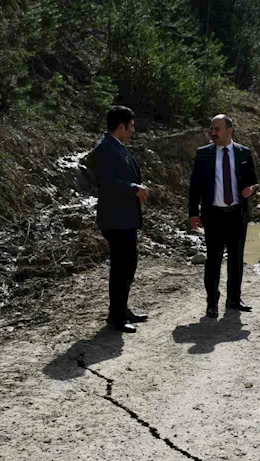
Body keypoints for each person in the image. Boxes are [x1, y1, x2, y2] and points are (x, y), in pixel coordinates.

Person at [188, 114, 258, 317]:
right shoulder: (204, 154)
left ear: (230, 130)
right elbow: (195, 187)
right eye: (211, 129)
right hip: (213, 215)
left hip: (237, 214)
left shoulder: (244, 153)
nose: (213, 133)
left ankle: (234, 300)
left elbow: (254, 181)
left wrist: (251, 190)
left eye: (217, 129)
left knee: (236, 260)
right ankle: (212, 302)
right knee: (213, 260)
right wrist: (193, 213)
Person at [89, 105, 149, 333]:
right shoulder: (105, 148)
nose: (133, 130)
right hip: (115, 218)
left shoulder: (116, 146)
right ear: (121, 126)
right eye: (131, 126)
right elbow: (107, 182)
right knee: (121, 266)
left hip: (124, 216)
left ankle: (122, 309)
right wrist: (134, 188)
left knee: (128, 264)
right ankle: (116, 317)